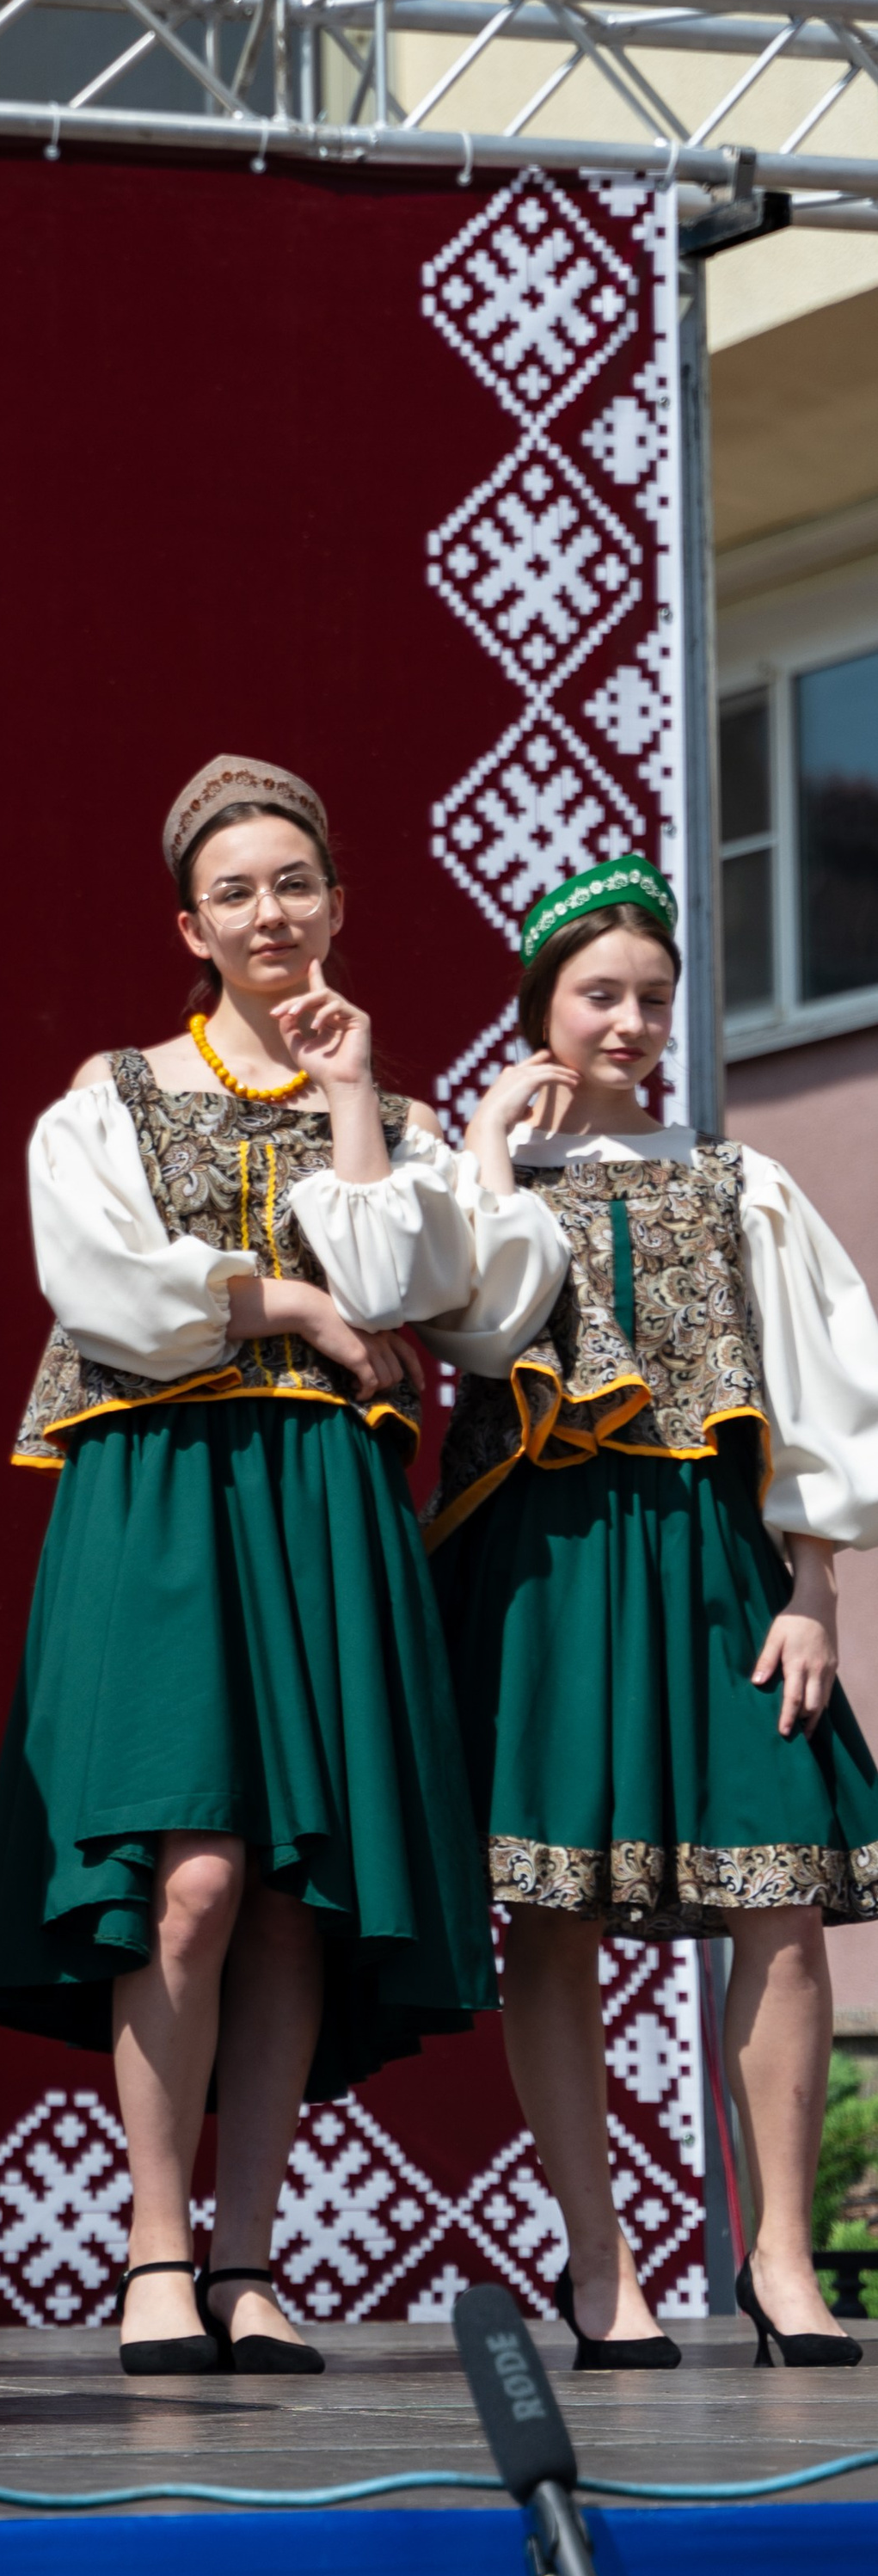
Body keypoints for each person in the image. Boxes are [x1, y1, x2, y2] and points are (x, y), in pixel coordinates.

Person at [0, 758, 555, 2376]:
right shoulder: (107, 1095)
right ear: (191, 926)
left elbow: (414, 1284)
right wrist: (290, 1309)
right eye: (238, 892)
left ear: (339, 905)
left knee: (298, 1891)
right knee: (190, 1876)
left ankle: (248, 2254)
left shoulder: (403, 1124)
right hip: (160, 1494)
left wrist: (355, 1096)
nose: (272, 912)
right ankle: (156, 2248)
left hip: (324, 1504)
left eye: (297, 883)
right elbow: (111, 1288)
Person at [427, 852, 878, 2370]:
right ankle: (600, 2262)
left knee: (785, 1904)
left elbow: (823, 1391)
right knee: (550, 1917)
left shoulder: (741, 1180)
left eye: (654, 999)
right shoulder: (475, 1177)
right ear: (542, 1006)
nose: (631, 1022)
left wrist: (815, 1581)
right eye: (600, 994)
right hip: (549, 1574)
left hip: (711, 1572)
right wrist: (490, 1138)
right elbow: (482, 1328)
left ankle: (781, 2261)